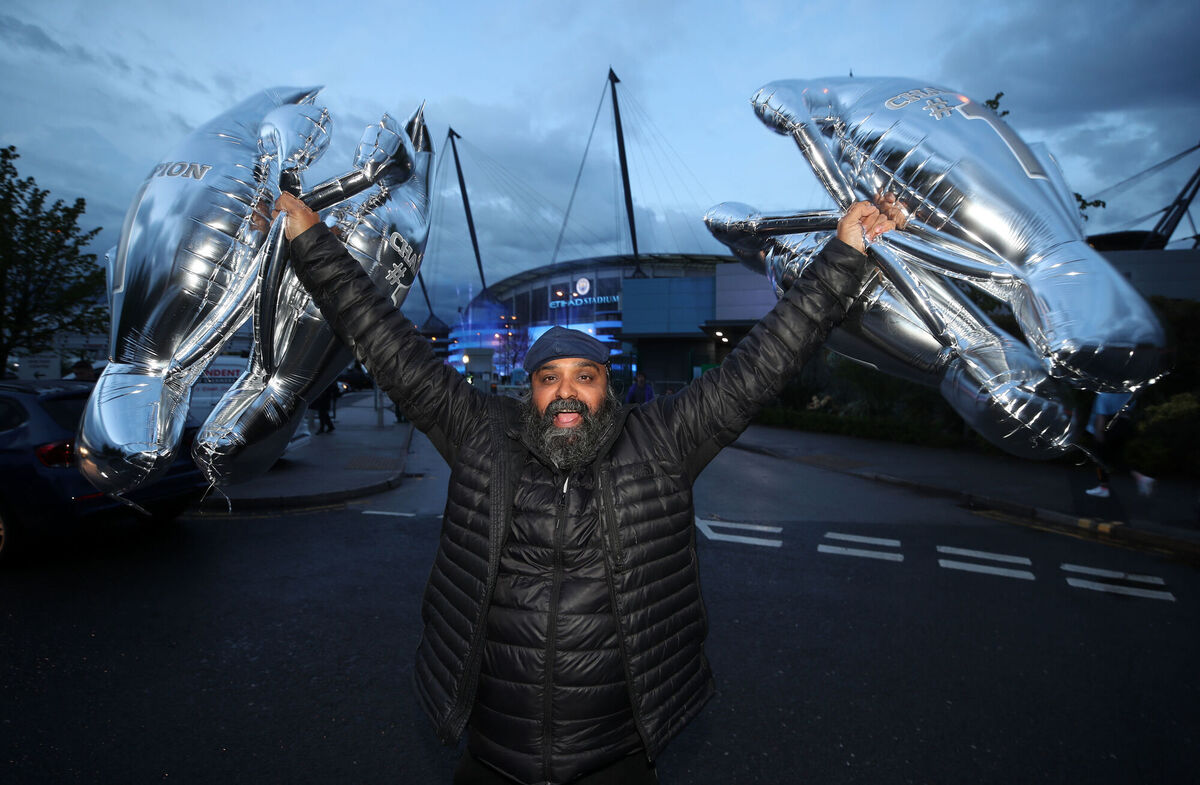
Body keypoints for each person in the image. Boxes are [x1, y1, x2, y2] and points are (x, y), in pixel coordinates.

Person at [274, 190, 905, 785]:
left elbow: (765, 361)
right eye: (549, 377)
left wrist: (843, 253)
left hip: (615, 757)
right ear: (530, 390)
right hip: (493, 753)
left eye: (584, 376)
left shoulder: (661, 441)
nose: (566, 392)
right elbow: (386, 341)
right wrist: (309, 240)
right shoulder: (481, 435)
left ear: (608, 386)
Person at [1085, 391, 1155, 498]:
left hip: (1110, 427)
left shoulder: (1104, 395)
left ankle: (1104, 487)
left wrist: (1098, 433)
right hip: (1125, 426)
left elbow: (1101, 416)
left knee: (1100, 458)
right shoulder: (1129, 392)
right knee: (1116, 457)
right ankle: (1140, 478)